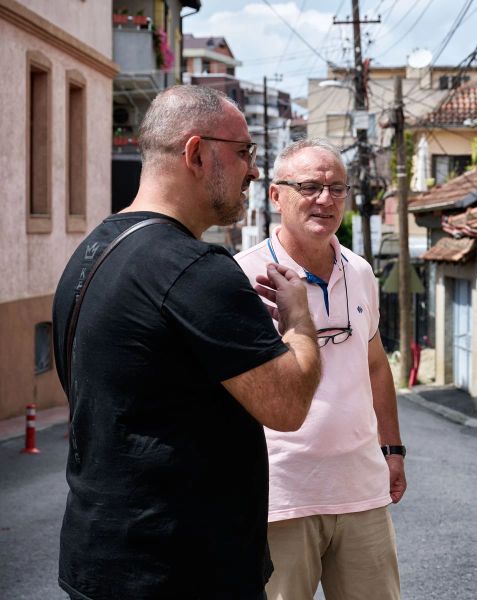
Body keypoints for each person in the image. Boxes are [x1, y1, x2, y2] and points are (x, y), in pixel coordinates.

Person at [51, 85, 322, 600]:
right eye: (244, 153)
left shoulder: (92, 252)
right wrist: (298, 322)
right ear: (197, 153)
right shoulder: (194, 269)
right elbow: (287, 405)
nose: (254, 170)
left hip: (99, 558)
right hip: (181, 571)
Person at [235, 139, 405, 600]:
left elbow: (374, 365)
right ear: (275, 195)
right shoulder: (241, 277)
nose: (325, 200)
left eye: (336, 188)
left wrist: (393, 447)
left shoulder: (362, 272)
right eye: (310, 187)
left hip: (361, 489)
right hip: (280, 495)